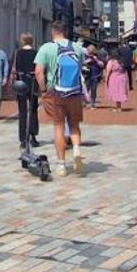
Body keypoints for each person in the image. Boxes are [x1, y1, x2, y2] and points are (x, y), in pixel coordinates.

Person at [35, 21, 86, 178]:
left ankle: (62, 165)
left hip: (56, 93)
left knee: (59, 127)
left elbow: (38, 72)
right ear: (65, 31)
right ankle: (76, 150)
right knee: (74, 125)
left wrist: (43, 90)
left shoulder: (46, 48)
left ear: (53, 32)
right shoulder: (77, 48)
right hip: (75, 92)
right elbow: (81, 69)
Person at [13, 33, 41, 149]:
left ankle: (23, 139)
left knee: (22, 111)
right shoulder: (36, 53)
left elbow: (15, 68)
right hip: (33, 83)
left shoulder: (18, 53)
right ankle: (33, 136)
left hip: (21, 82)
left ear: (22, 41)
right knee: (33, 110)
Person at [83, 44, 104, 108]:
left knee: (94, 89)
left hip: (95, 75)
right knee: (86, 89)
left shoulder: (97, 56)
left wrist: (96, 60)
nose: (91, 53)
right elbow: (81, 63)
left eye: (92, 52)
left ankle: (93, 103)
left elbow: (102, 65)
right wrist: (87, 61)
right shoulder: (85, 56)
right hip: (86, 75)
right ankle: (84, 102)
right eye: (89, 51)